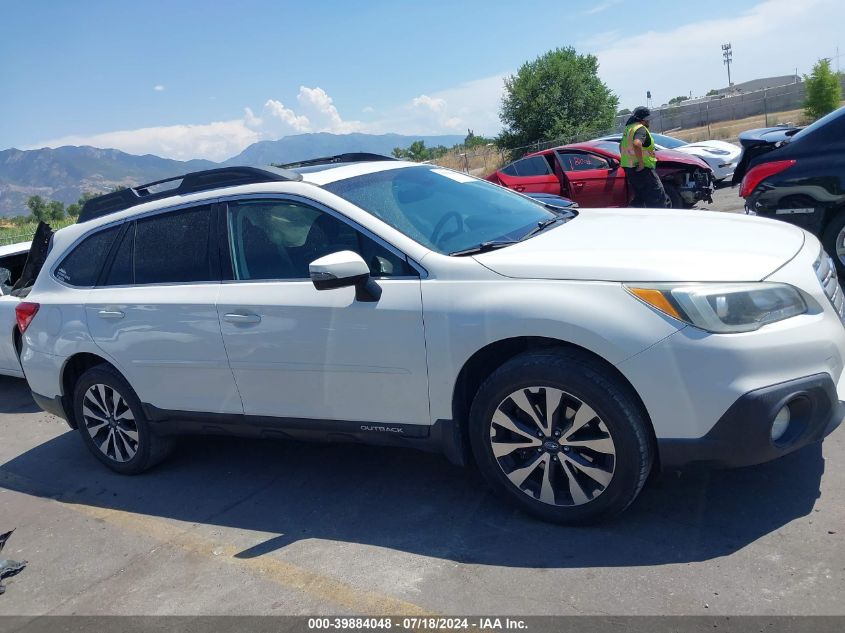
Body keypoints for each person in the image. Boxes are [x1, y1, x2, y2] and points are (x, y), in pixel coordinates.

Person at [620, 106, 670, 208]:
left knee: (640, 199)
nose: (649, 122)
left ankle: (637, 220)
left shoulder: (628, 129)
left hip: (631, 171)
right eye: (648, 120)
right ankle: (659, 222)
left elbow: (620, 146)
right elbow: (637, 144)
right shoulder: (640, 129)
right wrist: (641, 164)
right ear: (643, 120)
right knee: (658, 199)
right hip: (644, 170)